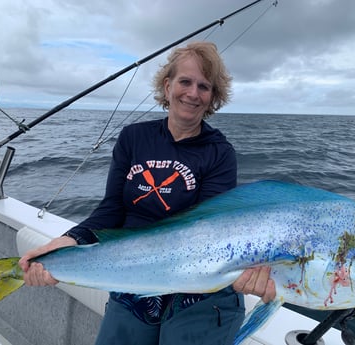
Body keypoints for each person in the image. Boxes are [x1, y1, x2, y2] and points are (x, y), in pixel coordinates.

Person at [19, 41, 276, 345]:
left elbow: (211, 234)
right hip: (134, 278)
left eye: (204, 87)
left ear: (212, 98)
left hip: (199, 293)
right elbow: (112, 208)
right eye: (185, 81)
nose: (193, 93)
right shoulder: (133, 138)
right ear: (167, 86)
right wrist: (71, 239)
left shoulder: (219, 153)